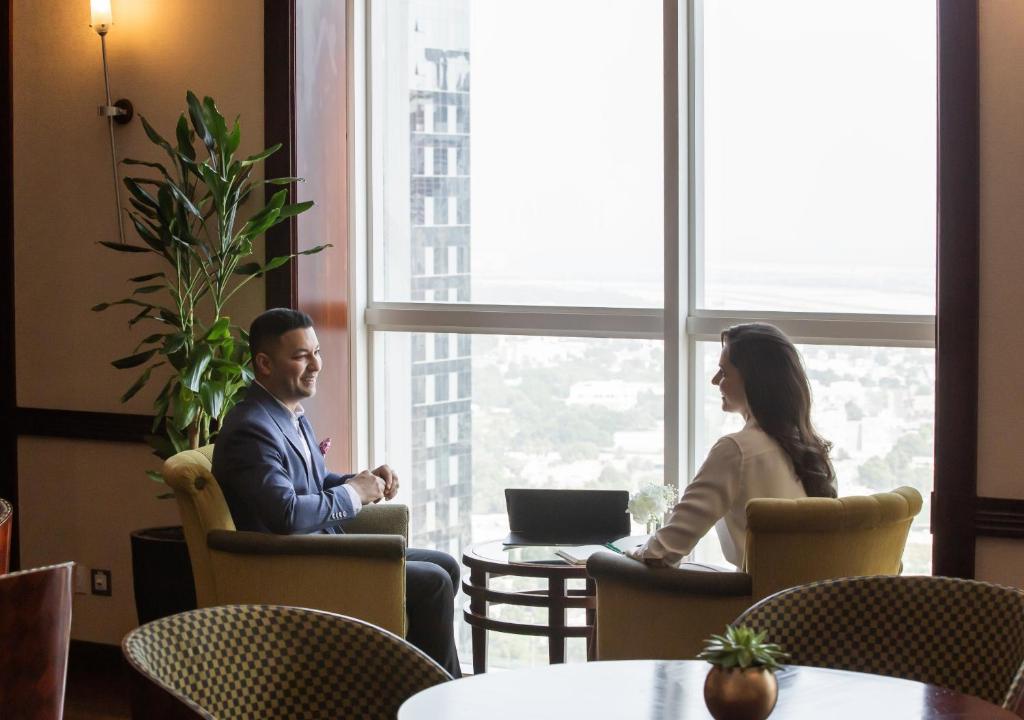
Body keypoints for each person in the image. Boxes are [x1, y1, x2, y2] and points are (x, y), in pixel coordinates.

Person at [212, 308, 462, 676]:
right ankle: (441, 697)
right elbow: (286, 515)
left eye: (317, 352)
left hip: (319, 550)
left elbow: (312, 482)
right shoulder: (251, 429)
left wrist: (363, 481)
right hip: (290, 568)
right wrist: (353, 494)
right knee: (433, 582)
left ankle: (410, 683)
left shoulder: (289, 412)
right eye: (301, 356)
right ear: (264, 364)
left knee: (445, 565)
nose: (316, 365)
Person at [630, 323, 837, 569]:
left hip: (754, 593)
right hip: (809, 592)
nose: (714, 380)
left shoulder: (737, 450)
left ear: (754, 381)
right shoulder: (814, 451)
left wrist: (627, 554)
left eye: (724, 372)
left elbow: (663, 551)